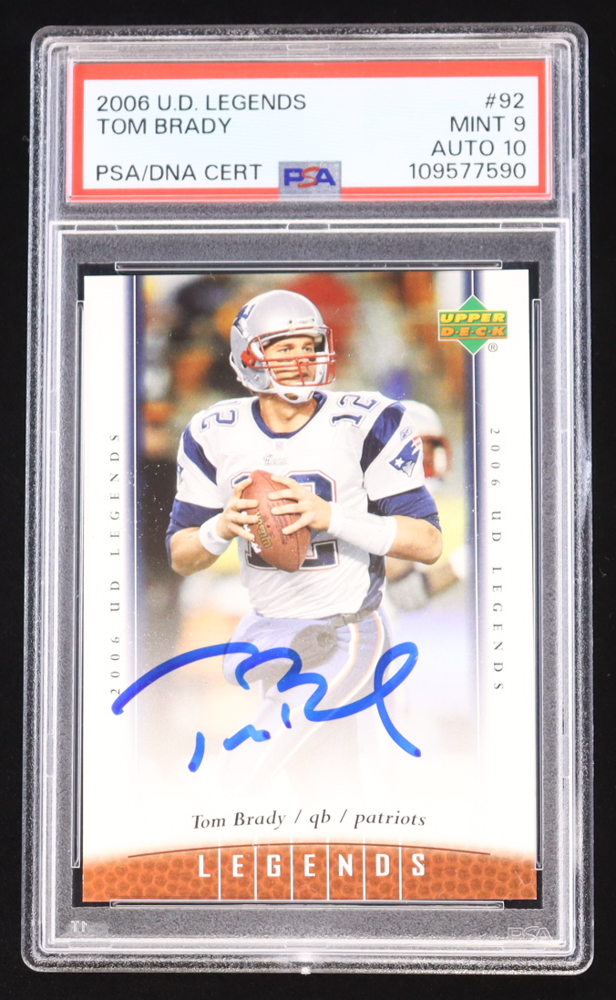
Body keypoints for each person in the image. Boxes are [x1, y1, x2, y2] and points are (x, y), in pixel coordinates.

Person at [166, 289, 442, 786]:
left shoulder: (365, 421)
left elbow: (427, 542)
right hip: (272, 632)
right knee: (324, 785)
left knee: (245, 767)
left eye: (309, 345)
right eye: (284, 347)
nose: (301, 359)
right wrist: (220, 527)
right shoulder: (214, 431)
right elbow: (182, 557)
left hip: (346, 630)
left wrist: (331, 516)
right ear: (250, 355)